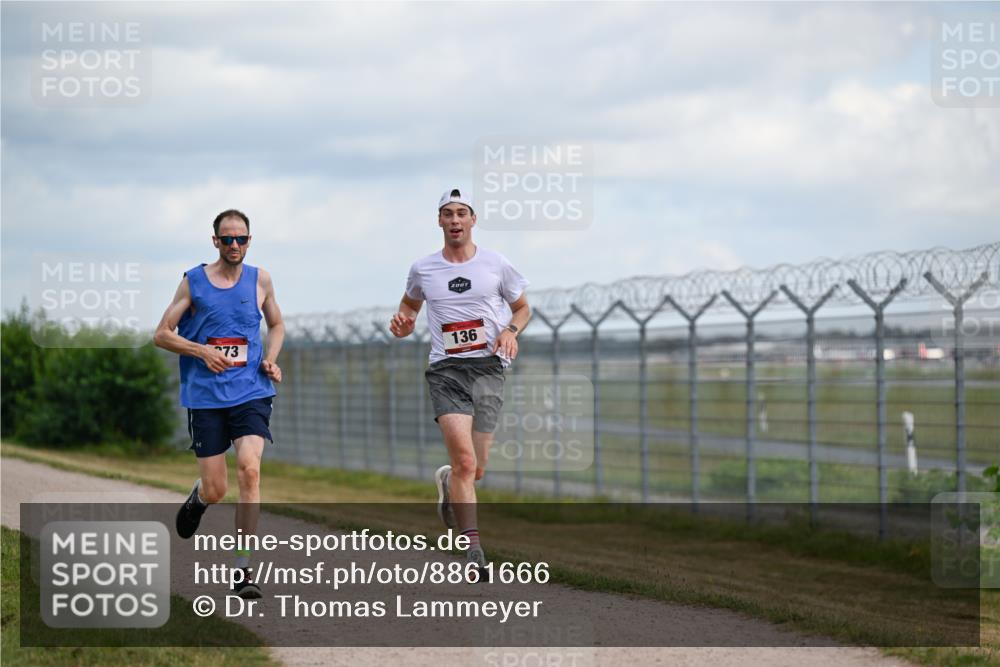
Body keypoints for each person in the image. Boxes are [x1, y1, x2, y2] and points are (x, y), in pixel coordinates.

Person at [390, 188, 531, 578]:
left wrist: (510, 331)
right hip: (446, 371)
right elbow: (409, 306)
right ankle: (473, 548)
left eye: (461, 213)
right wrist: (402, 323)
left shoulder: (495, 263)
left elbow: (522, 307)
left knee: (477, 468)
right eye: (447, 214)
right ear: (439, 221)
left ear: (473, 219)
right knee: (466, 460)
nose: (454, 220)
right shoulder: (424, 269)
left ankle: (449, 482)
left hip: (488, 369)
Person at [153, 209, 284, 599]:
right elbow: (161, 334)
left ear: (249, 240)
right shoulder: (192, 283)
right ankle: (200, 497)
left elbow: (276, 324)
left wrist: (271, 358)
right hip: (206, 398)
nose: (234, 246)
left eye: (241, 239)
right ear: (215, 241)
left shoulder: (260, 279)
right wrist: (200, 351)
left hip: (251, 391)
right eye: (227, 239)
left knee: (249, 470)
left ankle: (242, 570)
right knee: (217, 488)